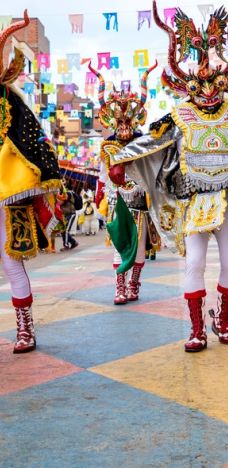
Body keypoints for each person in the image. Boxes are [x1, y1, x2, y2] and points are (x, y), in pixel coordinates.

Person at [107, 0, 228, 352]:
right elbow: (148, 140)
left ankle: (221, 319)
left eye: (215, 86)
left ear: (226, 83)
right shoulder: (178, 115)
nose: (208, 94)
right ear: (186, 86)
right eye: (199, 87)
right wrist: (120, 160)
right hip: (194, 202)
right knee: (193, 262)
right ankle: (196, 328)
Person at [0, 12, 62, 353]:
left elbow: (34, 144)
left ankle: (25, 328)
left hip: (8, 195)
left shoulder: (13, 104)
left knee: (11, 262)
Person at [91, 62, 162, 305]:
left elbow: (153, 171)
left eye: (127, 123)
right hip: (117, 201)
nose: (123, 128)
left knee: (140, 247)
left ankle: (134, 284)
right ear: (113, 123)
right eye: (119, 123)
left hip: (141, 202)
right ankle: (120, 286)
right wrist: (101, 195)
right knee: (120, 244)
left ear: (134, 121)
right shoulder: (108, 146)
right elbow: (102, 175)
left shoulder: (144, 145)